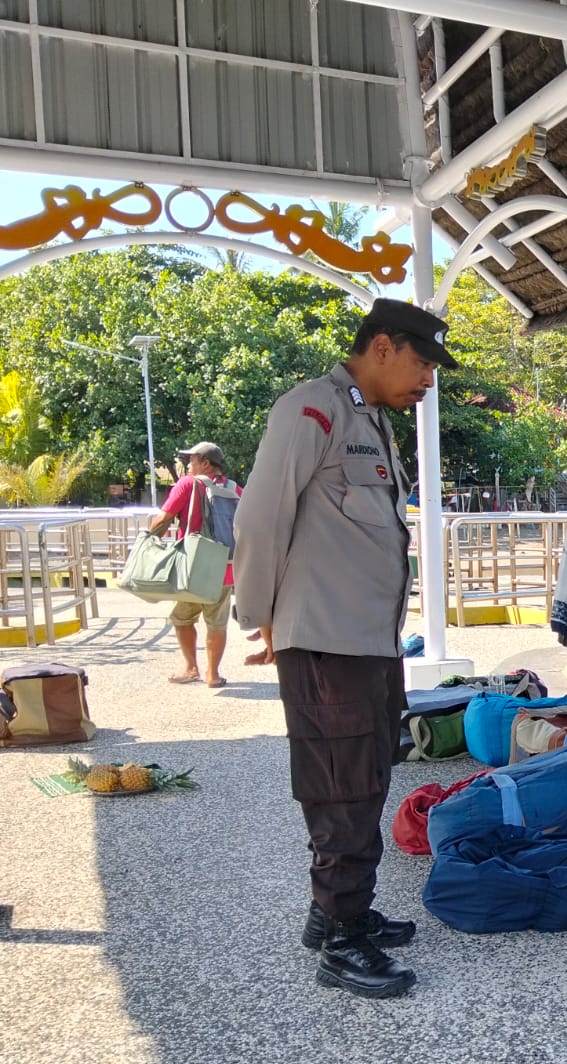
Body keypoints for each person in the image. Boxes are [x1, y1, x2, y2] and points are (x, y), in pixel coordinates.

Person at [233, 297, 459, 1000]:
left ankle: (332, 909)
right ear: (384, 346)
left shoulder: (371, 421)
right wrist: (262, 616)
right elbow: (263, 515)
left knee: (362, 773)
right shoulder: (314, 410)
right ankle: (341, 939)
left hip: (365, 641)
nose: (427, 380)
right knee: (343, 785)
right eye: (422, 363)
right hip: (327, 640)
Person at [147, 441, 242, 688]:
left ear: (205, 463)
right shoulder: (235, 490)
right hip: (226, 566)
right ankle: (213, 674)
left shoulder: (189, 484)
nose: (188, 465)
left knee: (181, 618)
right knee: (217, 622)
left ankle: (191, 668)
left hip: (194, 567)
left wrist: (148, 539)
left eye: (192, 460)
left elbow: (163, 519)